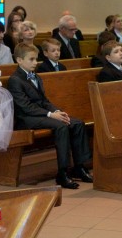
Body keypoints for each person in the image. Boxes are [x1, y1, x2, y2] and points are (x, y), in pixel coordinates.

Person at [7, 43, 92, 189]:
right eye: (31, 59)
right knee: (61, 126)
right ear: (19, 60)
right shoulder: (15, 79)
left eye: (36, 59)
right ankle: (63, 173)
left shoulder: (36, 76)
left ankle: (79, 167)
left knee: (77, 123)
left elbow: (44, 101)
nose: (35, 62)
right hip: (26, 119)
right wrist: (51, 114)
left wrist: (57, 111)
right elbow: (25, 106)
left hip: (41, 115)